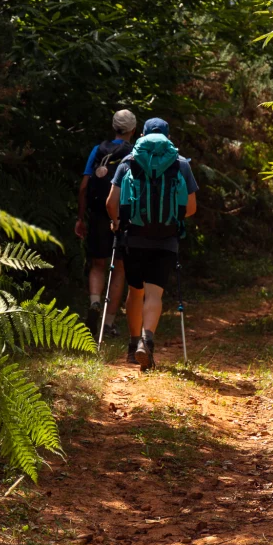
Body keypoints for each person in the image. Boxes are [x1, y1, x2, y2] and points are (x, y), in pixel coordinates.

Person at [105, 117, 198, 370]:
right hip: (166, 239)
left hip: (133, 237)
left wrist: (116, 223)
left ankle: (133, 345)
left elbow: (111, 204)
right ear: (168, 136)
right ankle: (147, 340)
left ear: (142, 135)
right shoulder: (180, 164)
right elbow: (190, 208)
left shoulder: (129, 162)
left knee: (135, 291)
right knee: (154, 292)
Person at [76, 109, 137, 337]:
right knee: (119, 268)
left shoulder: (98, 150)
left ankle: (94, 303)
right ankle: (109, 323)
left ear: (114, 127)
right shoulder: (135, 154)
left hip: (99, 216)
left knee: (98, 264)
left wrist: (81, 218)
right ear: (133, 130)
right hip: (123, 217)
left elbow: (84, 187)